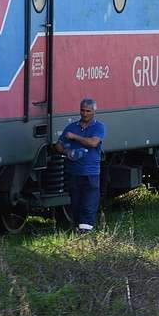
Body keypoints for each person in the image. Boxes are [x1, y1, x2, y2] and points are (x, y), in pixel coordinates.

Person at [53, 98, 105, 232]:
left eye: (88, 111)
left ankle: (85, 232)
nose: (85, 113)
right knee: (75, 204)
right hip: (74, 172)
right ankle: (78, 230)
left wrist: (75, 137)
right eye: (82, 110)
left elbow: (93, 143)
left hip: (91, 173)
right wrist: (67, 151)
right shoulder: (71, 127)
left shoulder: (98, 127)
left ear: (94, 112)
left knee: (89, 204)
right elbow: (58, 145)